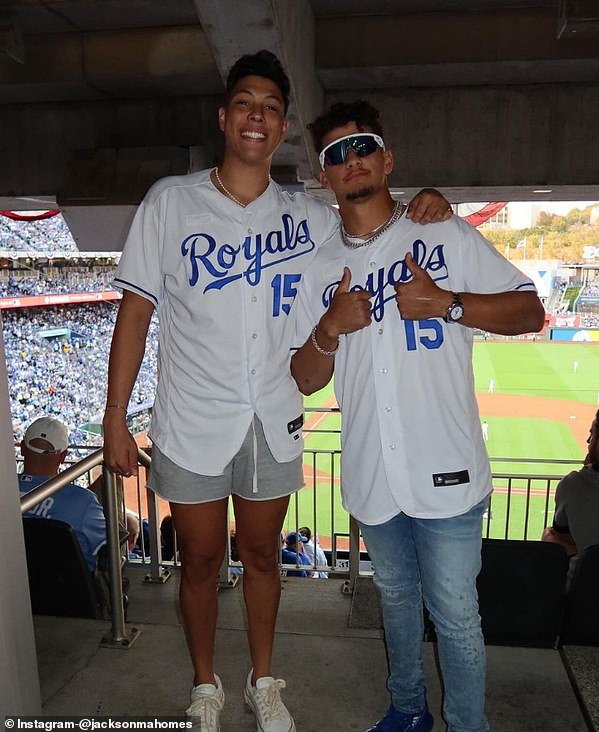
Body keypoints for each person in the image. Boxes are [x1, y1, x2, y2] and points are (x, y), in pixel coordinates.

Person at [102, 51, 451, 732]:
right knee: (199, 561)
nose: (256, 116)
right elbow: (136, 314)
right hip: (191, 416)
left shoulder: (309, 213)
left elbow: (369, 218)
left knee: (263, 556)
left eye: (269, 106)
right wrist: (115, 417)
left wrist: (421, 204)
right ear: (225, 116)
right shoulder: (170, 201)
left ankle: (265, 680)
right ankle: (206, 685)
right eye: (245, 103)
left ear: (282, 124)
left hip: (272, 412)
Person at [291, 100, 545, 732]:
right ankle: (408, 709)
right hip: (374, 472)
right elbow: (302, 377)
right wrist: (328, 327)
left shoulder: (443, 234)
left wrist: (448, 303)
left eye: (362, 147)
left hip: (448, 466)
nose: (350, 161)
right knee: (398, 601)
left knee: (457, 611)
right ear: (324, 177)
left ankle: (467, 725)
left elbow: (529, 311)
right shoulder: (320, 266)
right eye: (335, 155)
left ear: (387, 159)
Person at [542, 403, 599, 576]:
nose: (587, 441)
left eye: (591, 435)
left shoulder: (572, 485)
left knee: (550, 535)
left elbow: (562, 536)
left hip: (584, 592)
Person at [19, 416, 107, 574]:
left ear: (22, 448)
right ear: (63, 456)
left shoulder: (4, 491)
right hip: (70, 594)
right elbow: (108, 548)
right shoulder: (84, 502)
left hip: (12, 590)